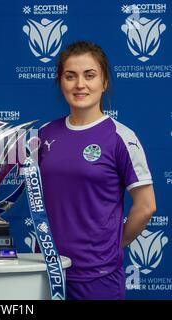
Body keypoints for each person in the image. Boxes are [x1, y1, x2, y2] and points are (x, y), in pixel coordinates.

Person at [38, 41, 156, 300]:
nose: (80, 84)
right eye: (71, 76)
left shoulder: (121, 137)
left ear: (104, 83)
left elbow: (146, 206)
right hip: (47, 272)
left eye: (89, 75)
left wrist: (114, 244)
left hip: (98, 278)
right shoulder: (43, 134)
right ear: (61, 83)